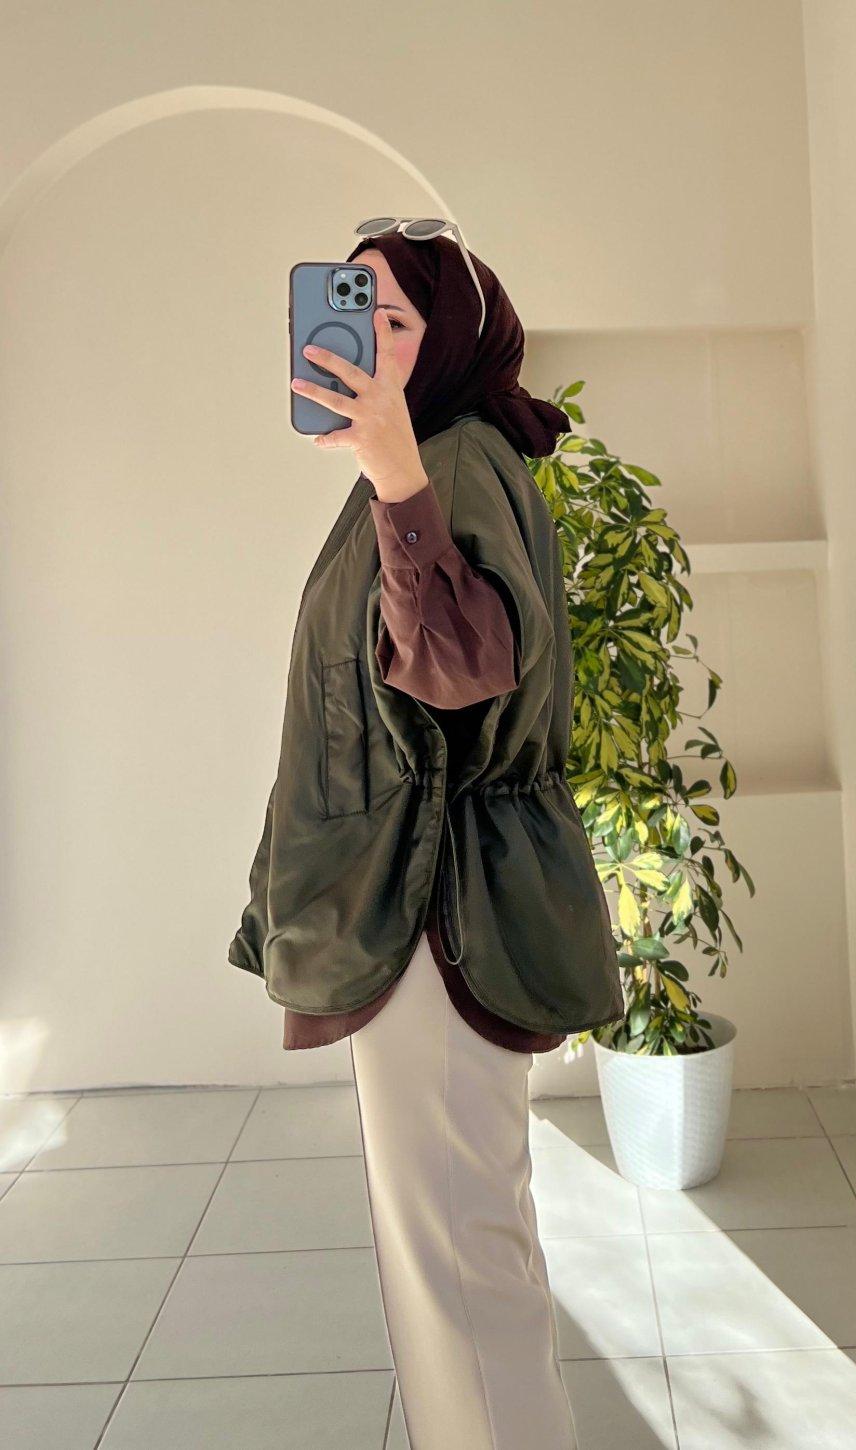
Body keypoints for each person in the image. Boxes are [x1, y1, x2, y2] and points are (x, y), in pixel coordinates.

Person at [228, 223, 624, 1449]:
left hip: (434, 911)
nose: (371, 344)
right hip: (420, 902)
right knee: (461, 1257)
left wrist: (396, 471)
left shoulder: (448, 458)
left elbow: (462, 664)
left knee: (460, 1271)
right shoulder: (439, 458)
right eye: (355, 313)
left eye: (396, 320)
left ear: (450, 338)